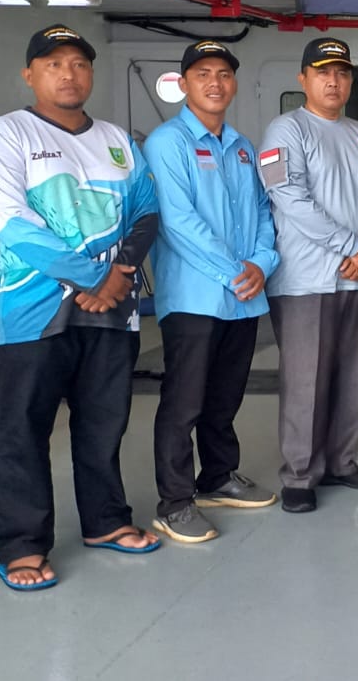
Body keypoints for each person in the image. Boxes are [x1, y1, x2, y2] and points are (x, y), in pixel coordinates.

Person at [0, 24, 161, 591]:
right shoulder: (4, 136)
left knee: (104, 425)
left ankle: (106, 522)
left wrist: (117, 277)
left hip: (112, 311)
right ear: (30, 74)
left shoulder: (118, 140)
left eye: (79, 63)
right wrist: (97, 276)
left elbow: (147, 211)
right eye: (54, 63)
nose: (68, 73)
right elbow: (13, 225)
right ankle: (23, 546)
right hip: (32, 313)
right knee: (24, 432)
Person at [144, 41, 281, 543]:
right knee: (184, 404)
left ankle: (219, 477)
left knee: (225, 397)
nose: (215, 83)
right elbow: (178, 222)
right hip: (196, 297)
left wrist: (263, 264)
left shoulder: (243, 147)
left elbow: (266, 215)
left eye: (224, 74)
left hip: (244, 295)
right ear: (185, 83)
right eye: (203, 74)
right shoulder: (167, 142)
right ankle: (175, 501)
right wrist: (235, 272)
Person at [259, 37, 358, 514]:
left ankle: (342, 460)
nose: (333, 81)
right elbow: (289, 200)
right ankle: (299, 474)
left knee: (354, 376)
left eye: (341, 73)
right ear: (304, 79)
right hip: (306, 279)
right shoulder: (286, 130)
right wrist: (351, 245)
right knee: (305, 380)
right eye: (322, 72)